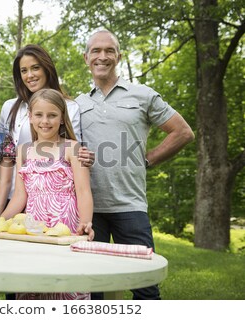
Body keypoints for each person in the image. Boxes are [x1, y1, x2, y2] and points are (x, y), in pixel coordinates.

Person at [76, 29, 195, 300]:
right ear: (86, 58)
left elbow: (183, 132)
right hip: (89, 209)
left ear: (118, 56)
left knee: (145, 285)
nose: (102, 56)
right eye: (96, 51)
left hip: (130, 206)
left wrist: (147, 159)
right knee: (93, 289)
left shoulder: (143, 95)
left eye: (109, 51)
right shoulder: (78, 104)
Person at [1, 88, 94, 300]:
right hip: (33, 228)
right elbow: (19, 197)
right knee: (33, 286)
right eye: (39, 115)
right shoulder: (23, 150)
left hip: (66, 228)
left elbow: (83, 190)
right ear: (30, 117)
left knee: (65, 286)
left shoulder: (72, 148)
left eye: (52, 115)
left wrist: (86, 222)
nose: (45, 121)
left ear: (62, 118)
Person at [0, 44, 84, 204]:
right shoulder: (9, 107)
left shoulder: (70, 107)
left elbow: (75, 151)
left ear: (46, 68)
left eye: (35, 68)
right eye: (24, 70)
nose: (29, 75)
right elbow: (2, 153)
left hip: (53, 198)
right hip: (13, 195)